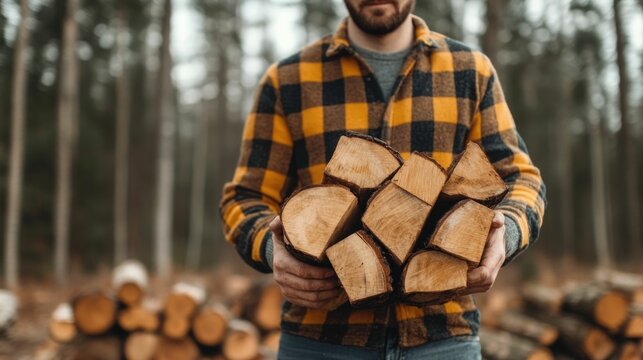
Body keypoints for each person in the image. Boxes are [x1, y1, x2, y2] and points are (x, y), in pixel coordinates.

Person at [220, 0, 546, 358]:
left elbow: (521, 179)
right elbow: (245, 197)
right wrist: (272, 250)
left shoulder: (470, 72)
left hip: (442, 337)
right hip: (321, 339)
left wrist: (507, 235)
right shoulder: (288, 80)